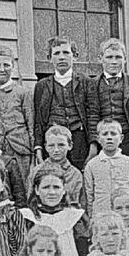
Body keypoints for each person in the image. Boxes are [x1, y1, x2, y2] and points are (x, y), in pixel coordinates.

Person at [87, 37, 129, 165]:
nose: (114, 62)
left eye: (118, 57)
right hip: (103, 142)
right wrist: (94, 145)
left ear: (125, 59)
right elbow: (92, 116)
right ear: (100, 58)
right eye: (109, 57)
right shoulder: (93, 84)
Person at [32, 36, 92, 171]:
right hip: (53, 143)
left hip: (79, 141)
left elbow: (92, 115)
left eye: (66, 53)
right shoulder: (42, 86)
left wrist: (93, 147)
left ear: (75, 56)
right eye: (57, 53)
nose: (61, 57)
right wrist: (38, 148)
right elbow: (39, 120)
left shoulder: (85, 82)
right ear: (49, 58)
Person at [19, 164, 89, 256]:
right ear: (36, 190)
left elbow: (84, 255)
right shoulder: (28, 217)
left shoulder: (74, 217)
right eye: (46, 187)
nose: (51, 192)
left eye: (56, 187)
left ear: (64, 189)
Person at [0, 45, 35, 182]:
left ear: (13, 66)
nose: (2, 69)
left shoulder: (24, 94)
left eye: (6, 65)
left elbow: (32, 126)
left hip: (21, 153)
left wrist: (34, 156)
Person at [84, 119, 129, 220]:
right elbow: (89, 194)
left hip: (124, 215)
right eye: (105, 134)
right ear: (98, 138)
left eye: (113, 134)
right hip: (100, 214)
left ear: (121, 138)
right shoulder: (91, 165)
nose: (109, 137)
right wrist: (91, 215)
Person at [28, 124, 86, 210]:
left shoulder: (75, 174)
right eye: (51, 145)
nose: (56, 150)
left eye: (61, 145)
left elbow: (77, 203)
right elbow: (31, 200)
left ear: (70, 145)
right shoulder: (37, 171)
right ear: (46, 147)